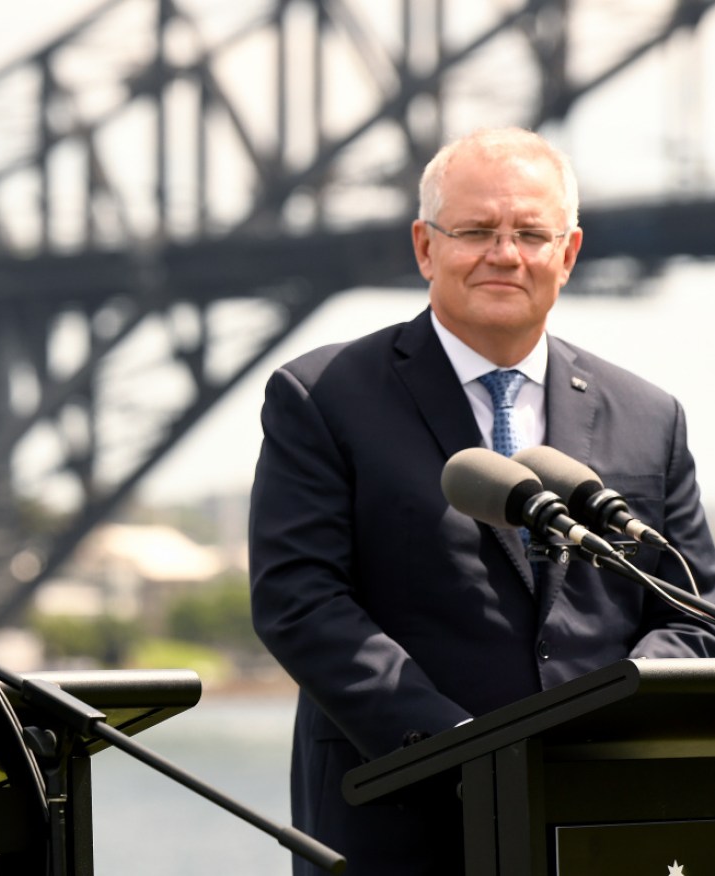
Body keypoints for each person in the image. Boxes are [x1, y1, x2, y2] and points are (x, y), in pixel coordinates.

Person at [248, 127, 715, 874]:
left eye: (531, 233)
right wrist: (462, 750)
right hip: (399, 819)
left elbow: (690, 607)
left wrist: (601, 738)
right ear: (424, 247)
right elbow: (299, 602)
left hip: (600, 820)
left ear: (567, 253)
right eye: (475, 231)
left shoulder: (648, 416)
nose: (505, 254)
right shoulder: (323, 396)